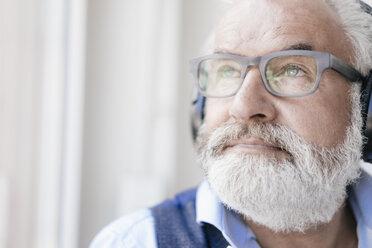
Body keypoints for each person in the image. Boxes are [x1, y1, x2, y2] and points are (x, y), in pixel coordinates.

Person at [90, 0, 372, 247]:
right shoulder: (134, 242)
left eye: (292, 69)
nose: (244, 106)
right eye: (227, 69)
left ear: (364, 106)